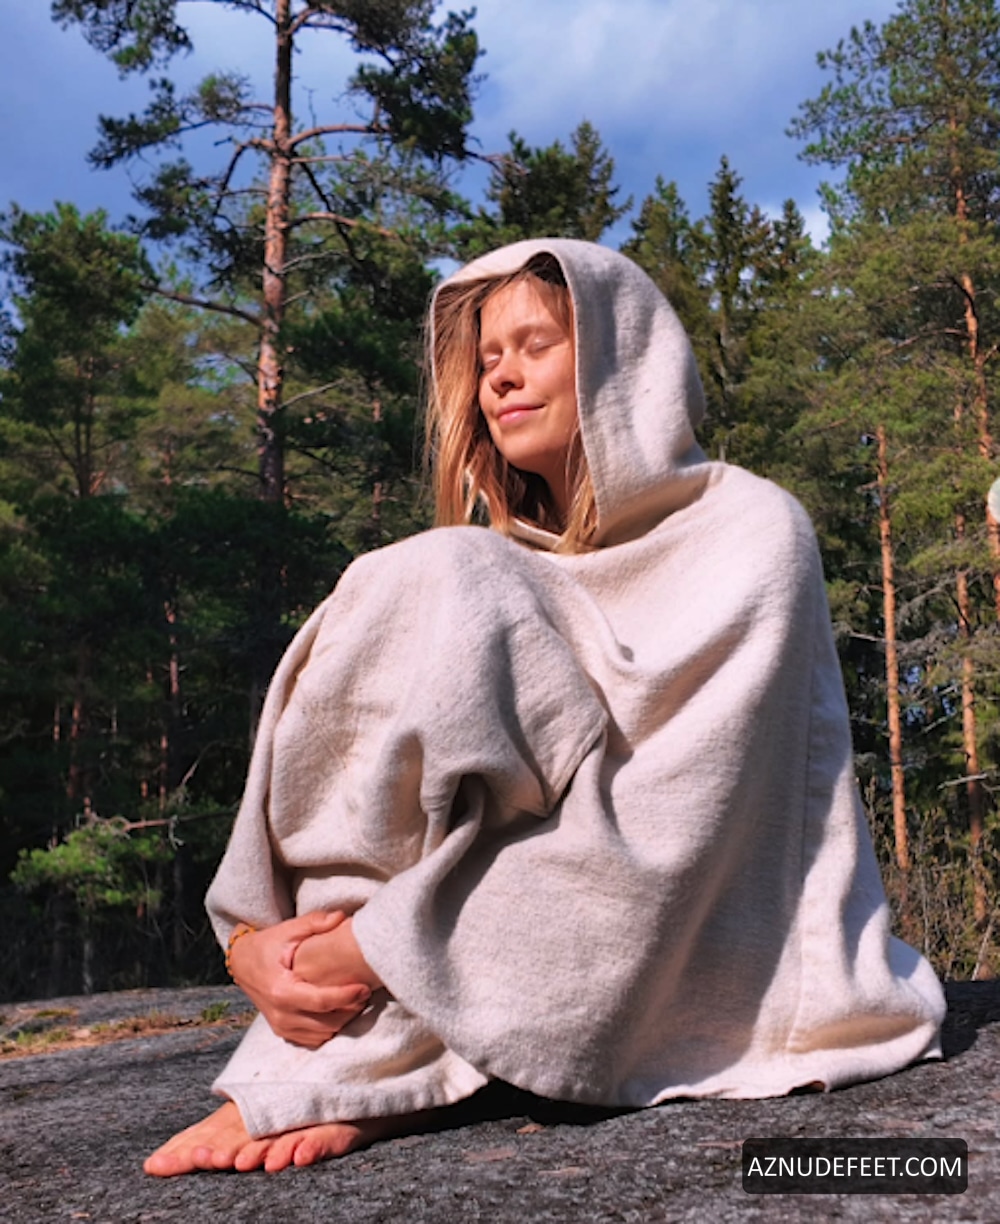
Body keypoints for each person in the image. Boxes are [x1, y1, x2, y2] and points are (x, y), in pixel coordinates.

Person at [145, 239, 946, 1178]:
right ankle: (337, 1027)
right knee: (424, 569)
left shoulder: (749, 532)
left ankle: (372, 1039)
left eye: (535, 345)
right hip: (383, 952)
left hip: (697, 955)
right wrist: (254, 945)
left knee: (451, 567)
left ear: (622, 357)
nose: (501, 377)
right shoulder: (497, 571)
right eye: (487, 358)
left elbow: (673, 827)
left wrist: (375, 947)